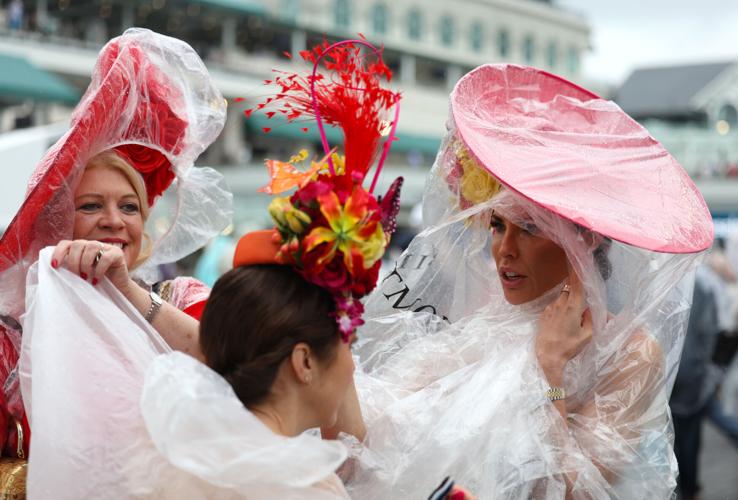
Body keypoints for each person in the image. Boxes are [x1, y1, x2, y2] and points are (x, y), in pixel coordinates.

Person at [335, 65, 714, 499]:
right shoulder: (486, 316)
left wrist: (549, 366)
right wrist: (329, 332)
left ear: (582, 239)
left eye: (529, 229)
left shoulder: (627, 351)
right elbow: (376, 429)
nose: (504, 249)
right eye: (497, 225)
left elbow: (579, 492)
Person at [0, 27, 230, 462]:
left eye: (129, 207)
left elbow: (240, 364)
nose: (114, 222)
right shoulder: (11, 337)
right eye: (90, 206)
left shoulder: (179, 297)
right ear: (56, 223)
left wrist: (126, 292)